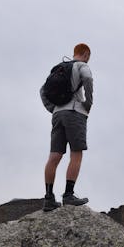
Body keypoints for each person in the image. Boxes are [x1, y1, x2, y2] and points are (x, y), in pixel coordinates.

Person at [40, 43, 93, 211]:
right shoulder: (82, 66)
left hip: (57, 115)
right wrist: (88, 103)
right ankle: (68, 195)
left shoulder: (59, 68)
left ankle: (49, 198)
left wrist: (52, 109)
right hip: (75, 113)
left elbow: (42, 90)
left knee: (54, 156)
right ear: (85, 54)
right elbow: (88, 78)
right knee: (76, 154)